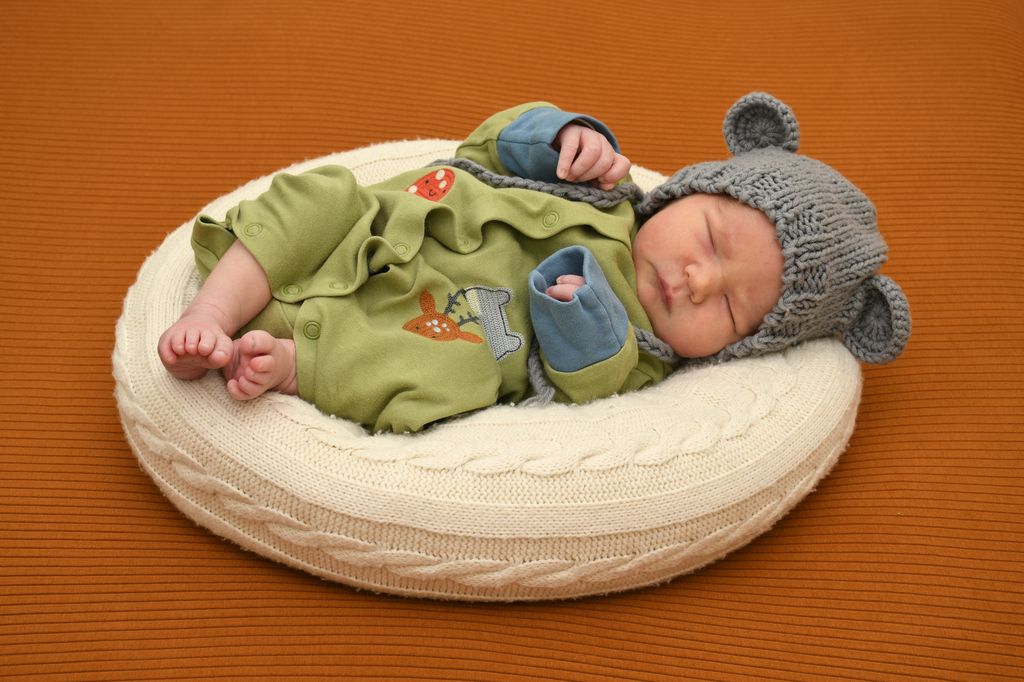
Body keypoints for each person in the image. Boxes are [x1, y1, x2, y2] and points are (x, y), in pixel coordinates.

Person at [158, 93, 910, 433]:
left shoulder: (645, 354)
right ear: (688, 191)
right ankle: (212, 312)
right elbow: (483, 146)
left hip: (437, 327)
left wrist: (582, 328)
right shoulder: (602, 187)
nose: (698, 280)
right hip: (381, 231)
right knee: (320, 196)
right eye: (710, 239)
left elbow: (593, 393)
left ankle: (298, 366)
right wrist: (555, 139)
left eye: (731, 309)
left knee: (446, 374)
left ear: (738, 348)